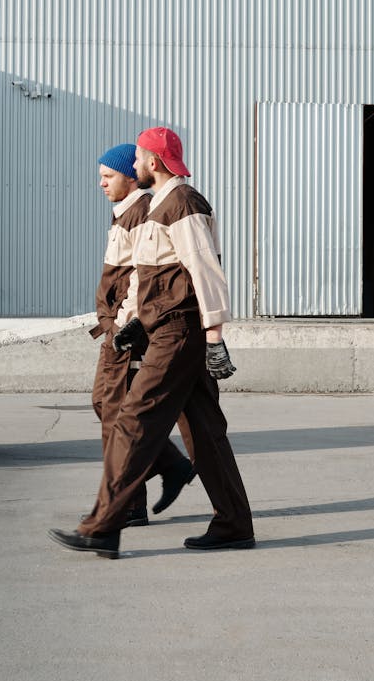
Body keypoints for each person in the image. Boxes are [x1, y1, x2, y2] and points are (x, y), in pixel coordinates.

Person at [50, 127, 253, 558]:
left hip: (179, 331)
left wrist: (215, 337)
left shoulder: (182, 203)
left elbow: (205, 270)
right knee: (204, 430)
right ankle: (234, 523)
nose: (135, 163)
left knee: (133, 421)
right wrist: (133, 323)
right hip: (162, 328)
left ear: (152, 163)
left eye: (139, 157)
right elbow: (147, 279)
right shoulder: (159, 205)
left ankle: (103, 526)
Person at [85, 143, 197, 527]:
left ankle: (129, 505)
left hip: (126, 329)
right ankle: (171, 465)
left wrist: (125, 323)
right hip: (115, 326)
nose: (101, 183)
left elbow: (140, 276)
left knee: (116, 411)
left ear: (130, 178)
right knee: (106, 404)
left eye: (108, 176)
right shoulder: (125, 212)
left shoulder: (140, 212)